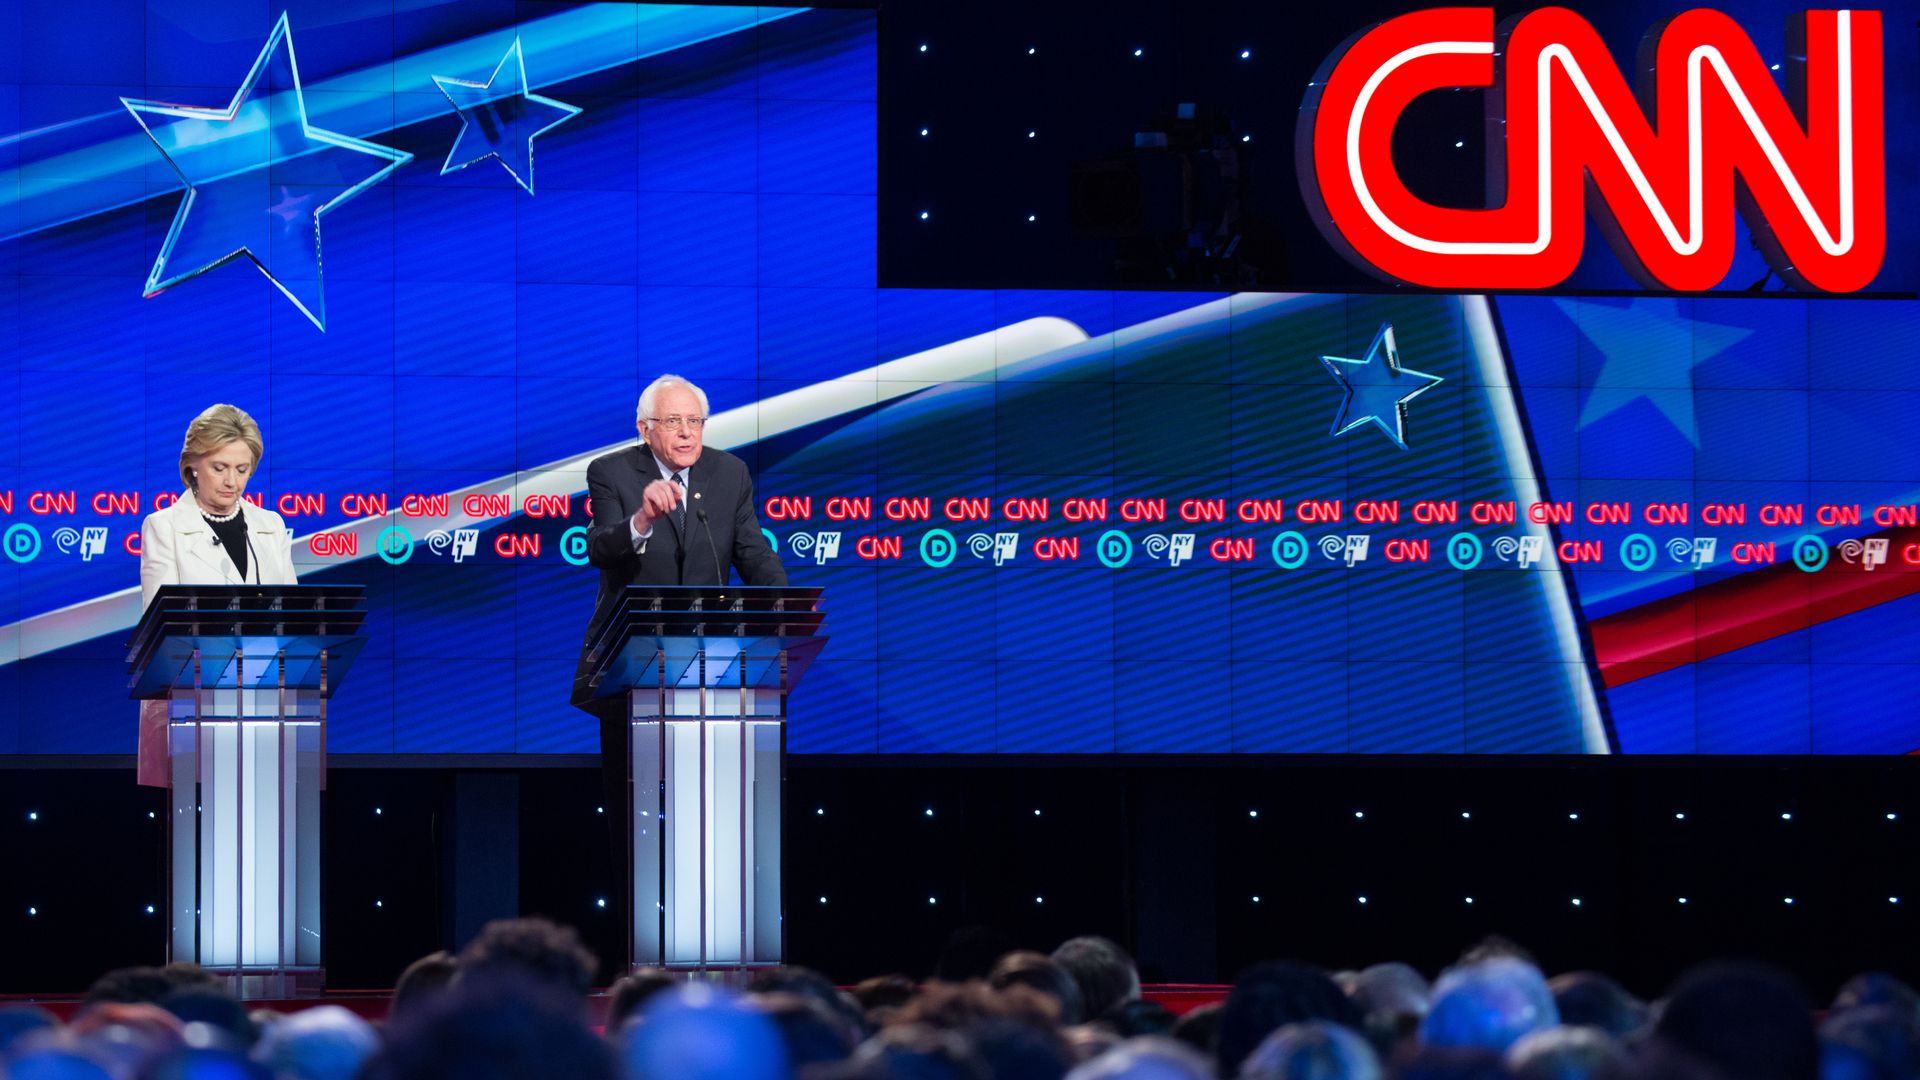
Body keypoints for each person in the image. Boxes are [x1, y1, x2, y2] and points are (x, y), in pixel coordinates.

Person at [569, 375, 788, 918]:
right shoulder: (612, 472)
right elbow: (600, 547)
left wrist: (785, 605)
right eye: (673, 422)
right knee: (636, 817)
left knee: (709, 812)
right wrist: (641, 519)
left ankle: (709, 930)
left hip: (712, 669)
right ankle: (638, 948)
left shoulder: (728, 472)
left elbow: (751, 549)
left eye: (695, 421)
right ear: (645, 428)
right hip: (631, 668)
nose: (687, 433)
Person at [136, 404, 297, 786]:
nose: (233, 482)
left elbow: (295, 615)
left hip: (264, 699)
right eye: (220, 468)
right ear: (193, 465)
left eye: (242, 470)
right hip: (190, 704)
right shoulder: (165, 527)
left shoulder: (270, 526)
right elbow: (161, 625)